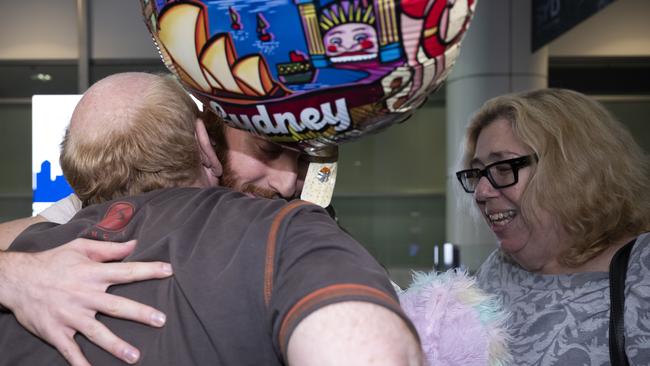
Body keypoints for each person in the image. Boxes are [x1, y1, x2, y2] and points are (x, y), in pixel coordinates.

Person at [0, 72, 423, 365]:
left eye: (304, 163)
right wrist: (21, 275)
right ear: (204, 134)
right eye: (267, 149)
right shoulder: (291, 231)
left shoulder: (293, 228)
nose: (287, 182)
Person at [455, 88, 650, 365]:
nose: (481, 192)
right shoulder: (497, 269)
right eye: (478, 173)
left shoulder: (641, 270)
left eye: (503, 168)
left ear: (573, 170)